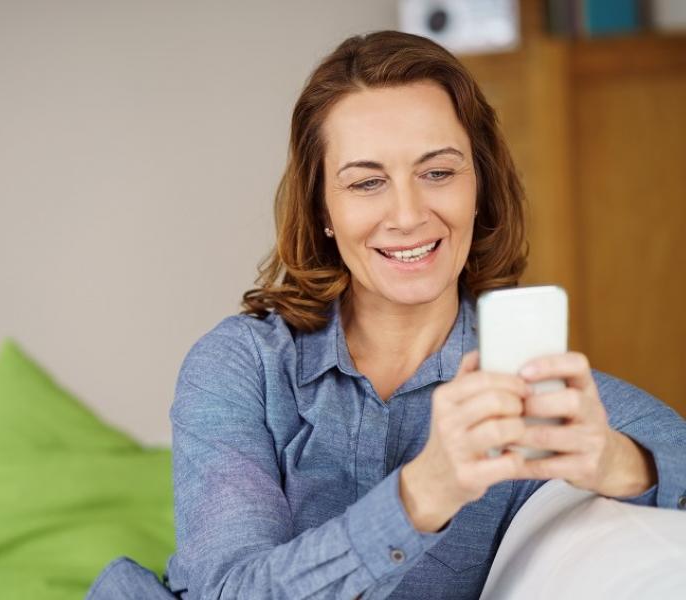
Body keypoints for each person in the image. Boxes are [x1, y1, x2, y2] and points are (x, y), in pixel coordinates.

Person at [85, 30, 686, 600]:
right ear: (322, 207)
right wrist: (423, 494)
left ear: (481, 186)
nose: (407, 214)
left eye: (438, 172)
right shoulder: (244, 364)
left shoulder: (519, 386)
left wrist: (618, 461)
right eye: (367, 182)